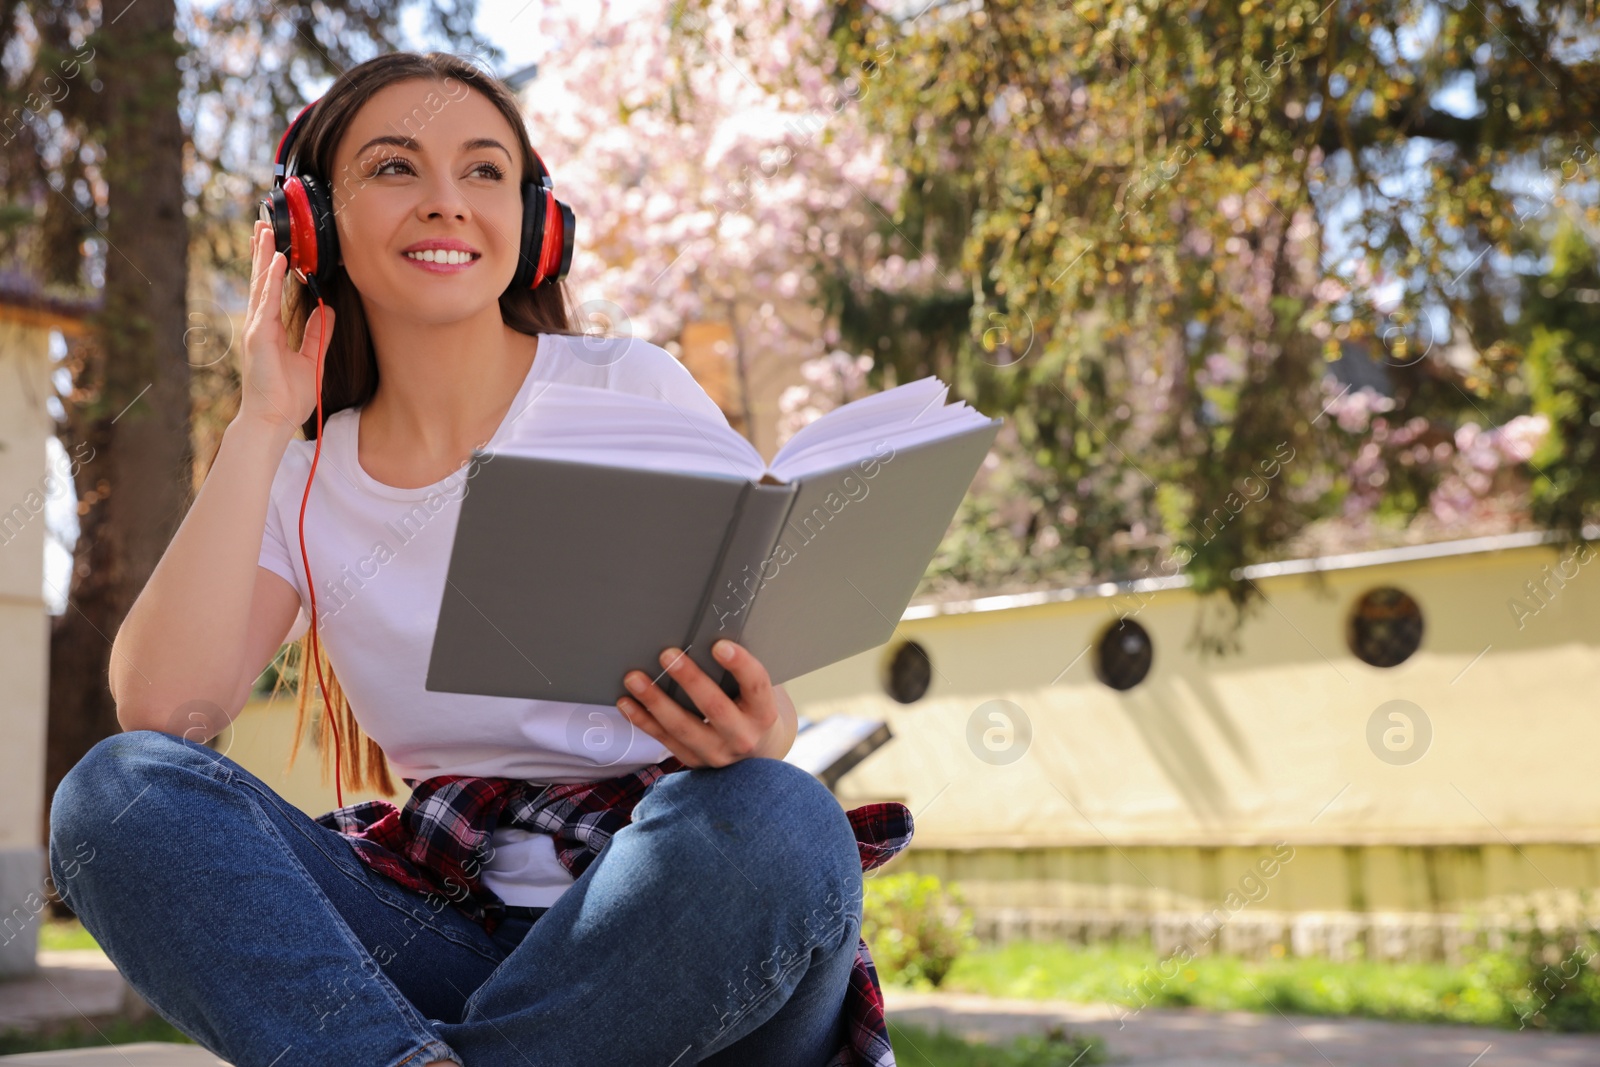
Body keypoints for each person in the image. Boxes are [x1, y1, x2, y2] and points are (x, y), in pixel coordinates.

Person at [47, 51, 901, 1067]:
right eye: (397, 168)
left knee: (783, 812)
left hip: (682, 934)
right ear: (311, 223)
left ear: (535, 225)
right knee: (117, 791)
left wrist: (764, 724)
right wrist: (264, 417)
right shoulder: (302, 475)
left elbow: (760, 664)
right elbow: (164, 712)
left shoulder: (630, 383)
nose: (446, 202)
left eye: (485, 170)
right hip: (441, 934)